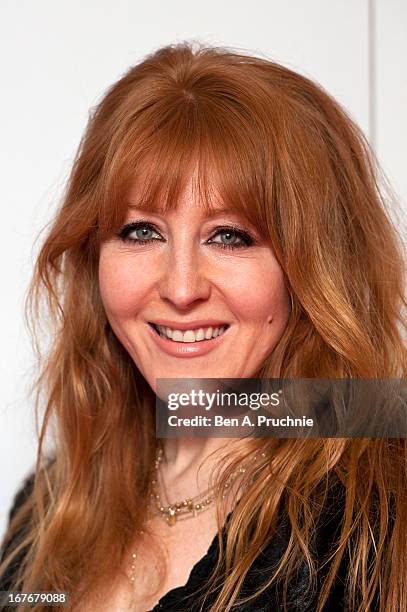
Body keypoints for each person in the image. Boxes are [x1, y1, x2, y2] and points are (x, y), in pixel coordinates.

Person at [1, 41, 406, 612]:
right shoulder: (47, 508)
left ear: (315, 269)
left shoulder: (370, 532)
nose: (182, 288)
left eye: (230, 236)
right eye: (142, 232)